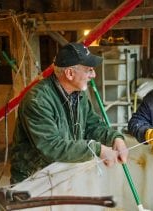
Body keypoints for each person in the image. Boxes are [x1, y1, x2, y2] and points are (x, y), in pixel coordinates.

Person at [10, 42, 128, 184]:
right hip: (34, 178)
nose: (94, 74)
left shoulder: (79, 94)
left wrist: (116, 139)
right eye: (89, 70)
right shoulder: (38, 100)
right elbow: (52, 147)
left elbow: (92, 125)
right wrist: (97, 149)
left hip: (61, 172)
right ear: (70, 73)